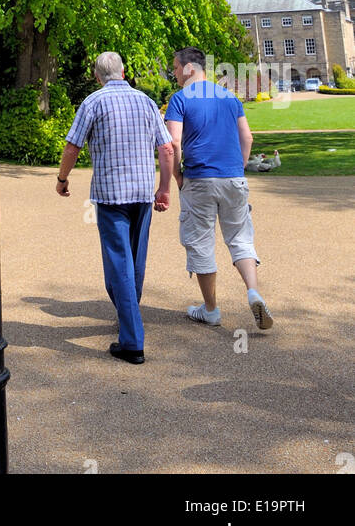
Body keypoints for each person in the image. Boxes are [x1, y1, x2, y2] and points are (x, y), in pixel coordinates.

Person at [56, 51, 175, 365]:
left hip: (111, 196)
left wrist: (62, 178)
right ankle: (129, 314)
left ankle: (132, 341)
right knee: (134, 260)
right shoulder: (148, 102)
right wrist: (164, 188)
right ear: (123, 73)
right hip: (141, 193)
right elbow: (166, 148)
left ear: (97, 76)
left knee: (119, 264)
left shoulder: (93, 102)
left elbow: (72, 146)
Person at [165, 46, 274, 331]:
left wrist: (176, 175)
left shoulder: (179, 99)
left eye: (175, 67)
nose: (173, 72)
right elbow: (247, 137)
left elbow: (173, 143)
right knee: (240, 238)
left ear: (189, 68)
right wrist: (237, 167)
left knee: (200, 242)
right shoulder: (229, 96)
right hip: (233, 178)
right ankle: (253, 292)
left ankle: (211, 310)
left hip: (199, 179)